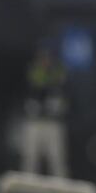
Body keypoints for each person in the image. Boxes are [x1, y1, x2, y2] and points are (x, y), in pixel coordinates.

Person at [21, 47, 69, 177]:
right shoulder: (33, 70)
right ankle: (27, 189)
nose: (45, 60)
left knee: (56, 158)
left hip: (53, 122)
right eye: (43, 57)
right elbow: (27, 91)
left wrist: (59, 106)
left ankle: (61, 189)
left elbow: (65, 94)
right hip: (34, 121)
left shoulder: (58, 72)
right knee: (30, 157)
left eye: (48, 57)